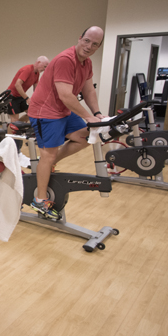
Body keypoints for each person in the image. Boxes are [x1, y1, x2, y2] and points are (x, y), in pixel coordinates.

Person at [27, 26, 106, 220]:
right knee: (48, 153)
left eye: (94, 44)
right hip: (44, 111)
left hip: (63, 110)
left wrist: (97, 113)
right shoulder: (65, 59)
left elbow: (88, 91)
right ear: (80, 38)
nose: (89, 46)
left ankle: (52, 163)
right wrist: (88, 117)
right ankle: (40, 200)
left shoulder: (87, 63)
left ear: (98, 47)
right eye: (86, 41)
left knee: (85, 136)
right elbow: (65, 95)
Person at [6, 56, 49, 128]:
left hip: (20, 96)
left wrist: (40, 100)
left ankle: (17, 125)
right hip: (11, 96)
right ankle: (11, 136)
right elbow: (17, 84)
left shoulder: (37, 73)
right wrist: (27, 98)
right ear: (38, 63)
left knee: (31, 114)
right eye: (44, 67)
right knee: (14, 119)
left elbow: (36, 89)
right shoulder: (28, 69)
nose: (44, 69)